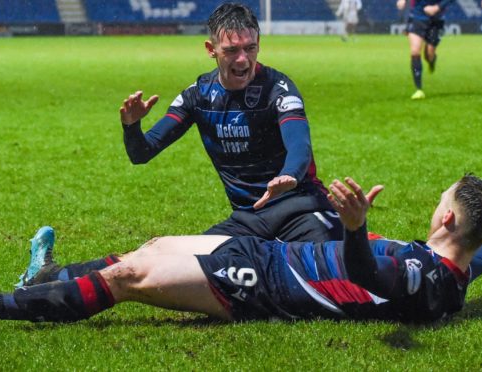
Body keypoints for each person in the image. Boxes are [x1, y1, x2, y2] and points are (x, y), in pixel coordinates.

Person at [0, 173, 482, 329]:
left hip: (267, 283)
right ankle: (41, 280)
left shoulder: (414, 275)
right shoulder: (455, 274)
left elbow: (367, 272)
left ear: (446, 217)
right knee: (146, 248)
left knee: (127, 275)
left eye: (440, 199)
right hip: (270, 258)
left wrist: (354, 226)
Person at [119, 2, 342, 242]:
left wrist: (288, 174)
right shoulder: (197, 97)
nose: (243, 60)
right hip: (248, 220)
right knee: (184, 265)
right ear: (210, 49)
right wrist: (131, 126)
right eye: (231, 50)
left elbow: (300, 145)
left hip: (302, 209)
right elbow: (141, 153)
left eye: (250, 48)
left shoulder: (279, 90)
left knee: (328, 266)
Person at [396, 0, 455, 100]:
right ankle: (419, 89)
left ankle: (432, 59)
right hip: (417, 16)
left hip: (436, 19)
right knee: (415, 51)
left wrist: (436, 7)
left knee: (429, 54)